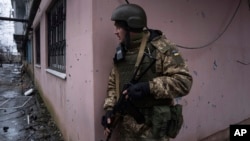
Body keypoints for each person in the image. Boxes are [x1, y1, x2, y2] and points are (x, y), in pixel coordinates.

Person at [102, 3, 193, 141]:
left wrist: (148, 87)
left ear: (130, 27)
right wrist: (110, 110)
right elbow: (113, 84)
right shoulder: (122, 52)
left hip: (153, 129)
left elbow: (184, 81)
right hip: (127, 132)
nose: (115, 31)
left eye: (119, 27)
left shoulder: (160, 48)